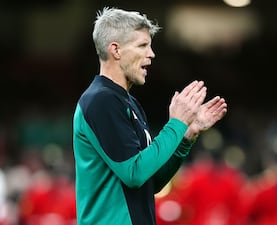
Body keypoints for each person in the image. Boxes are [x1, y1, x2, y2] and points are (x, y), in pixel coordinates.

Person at [72, 7, 227, 225]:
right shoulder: (101, 101)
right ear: (115, 50)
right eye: (142, 45)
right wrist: (176, 123)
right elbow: (134, 173)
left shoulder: (128, 102)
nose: (151, 54)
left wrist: (186, 136)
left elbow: (150, 182)